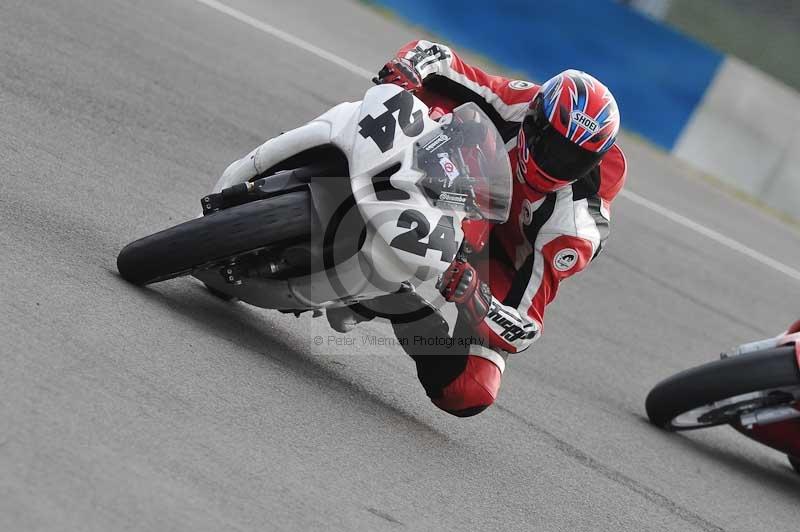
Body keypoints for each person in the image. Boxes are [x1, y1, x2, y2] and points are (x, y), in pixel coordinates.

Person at [327, 40, 627, 417]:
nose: (555, 162)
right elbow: (440, 58)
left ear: (591, 164)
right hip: (468, 181)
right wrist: (407, 68)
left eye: (572, 160)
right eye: (551, 145)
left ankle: (393, 299)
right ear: (535, 117)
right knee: (424, 101)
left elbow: (524, 328)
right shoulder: (519, 103)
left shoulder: (574, 230)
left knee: (469, 389)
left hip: (500, 262)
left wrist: (475, 296)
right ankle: (338, 177)